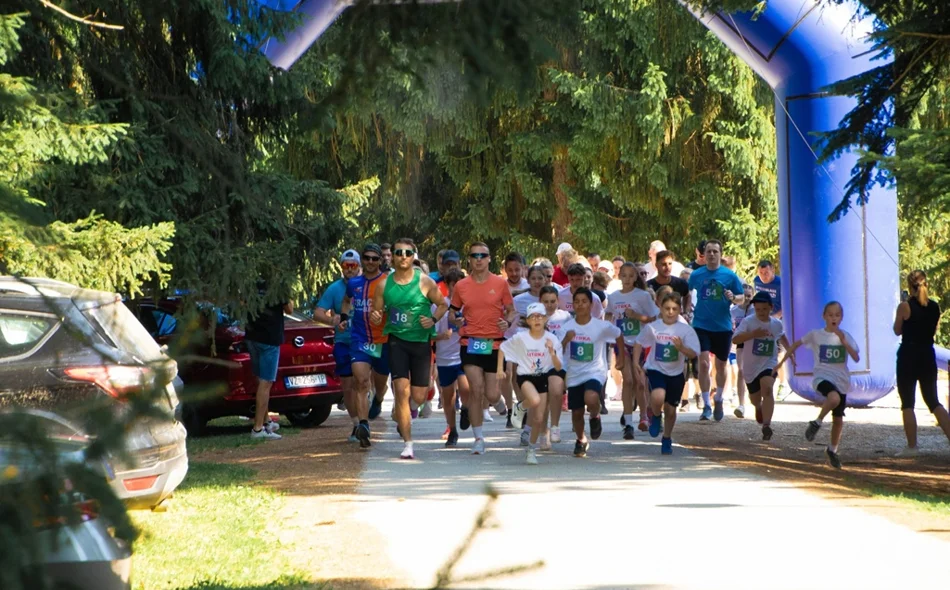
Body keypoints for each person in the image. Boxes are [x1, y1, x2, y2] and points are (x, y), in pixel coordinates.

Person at [371, 238, 448, 460]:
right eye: (398, 252)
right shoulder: (384, 285)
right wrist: (376, 316)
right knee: (402, 392)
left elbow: (443, 304)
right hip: (397, 342)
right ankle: (408, 443)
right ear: (392, 256)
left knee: (419, 396)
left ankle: (399, 412)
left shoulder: (424, 282)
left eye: (407, 253)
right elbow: (376, 316)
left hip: (421, 343)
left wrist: (433, 319)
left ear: (413, 255)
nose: (403, 256)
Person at [450, 242, 516, 455]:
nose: (478, 259)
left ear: (489, 259)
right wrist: (456, 321)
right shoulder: (461, 286)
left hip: (495, 344)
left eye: (483, 255)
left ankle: (500, 405)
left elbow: (511, 311)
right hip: (470, 342)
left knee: (492, 392)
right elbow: (452, 313)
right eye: (474, 255)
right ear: (469, 259)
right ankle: (478, 438)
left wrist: (507, 321)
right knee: (476, 390)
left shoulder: (500, 283)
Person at [778, 301, 859, 469]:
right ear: (824, 316)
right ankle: (817, 422)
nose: (833, 318)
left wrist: (844, 341)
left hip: (841, 380)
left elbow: (856, 357)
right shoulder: (816, 335)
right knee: (833, 397)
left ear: (841, 318)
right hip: (822, 377)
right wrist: (782, 363)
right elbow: (796, 344)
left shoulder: (845, 336)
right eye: (830, 315)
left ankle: (832, 450)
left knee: (838, 420)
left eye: (837, 315)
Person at [632, 292, 700, 454]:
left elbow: (693, 353)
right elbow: (639, 342)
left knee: (670, 410)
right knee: (657, 396)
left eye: (674, 309)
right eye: (667, 308)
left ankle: (667, 438)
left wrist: (681, 348)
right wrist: (635, 362)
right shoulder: (653, 327)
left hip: (676, 373)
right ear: (660, 309)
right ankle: (655, 416)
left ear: (680, 310)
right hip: (656, 369)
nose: (670, 312)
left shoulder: (685, 330)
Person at [561, 288, 625, 457]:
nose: (580, 304)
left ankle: (595, 415)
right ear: (572, 304)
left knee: (591, 397)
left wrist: (621, 358)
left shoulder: (600, 326)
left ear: (591, 304)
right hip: (574, 373)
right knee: (576, 412)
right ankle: (581, 439)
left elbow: (618, 335)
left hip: (595, 371)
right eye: (577, 301)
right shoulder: (566, 327)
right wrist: (566, 339)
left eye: (584, 301)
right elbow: (557, 351)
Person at [893, 270, 950, 455]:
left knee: (908, 403)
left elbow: (897, 330)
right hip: (927, 355)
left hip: (908, 355)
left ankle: (912, 447)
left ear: (910, 286)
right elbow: (932, 331)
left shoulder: (904, 307)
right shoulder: (935, 307)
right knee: (933, 401)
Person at [687, 239, 744, 421]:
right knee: (703, 364)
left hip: (722, 326)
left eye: (715, 252)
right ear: (704, 254)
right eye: (709, 251)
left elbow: (742, 298)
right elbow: (687, 294)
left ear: (720, 254)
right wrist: (686, 308)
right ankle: (706, 404)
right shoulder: (696, 275)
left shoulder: (729, 276)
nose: (712, 254)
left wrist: (733, 297)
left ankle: (719, 397)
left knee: (721, 365)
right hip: (701, 325)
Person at [501, 303, 564, 464]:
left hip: (542, 377)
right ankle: (520, 407)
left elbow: (558, 367)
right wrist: (498, 370)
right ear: (527, 321)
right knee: (534, 401)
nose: (537, 320)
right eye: (533, 317)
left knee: (538, 418)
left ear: (545, 319)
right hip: (525, 376)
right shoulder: (521, 337)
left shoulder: (552, 339)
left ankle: (531, 449)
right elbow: (502, 348)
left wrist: (551, 352)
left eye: (540, 316)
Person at [342, 243, 391, 448]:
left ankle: (378, 399)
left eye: (374, 258)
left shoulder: (388, 282)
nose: (370, 261)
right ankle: (363, 425)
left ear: (380, 260)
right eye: (367, 258)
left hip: (383, 340)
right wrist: (344, 316)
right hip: (360, 339)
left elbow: (397, 305)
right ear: (362, 260)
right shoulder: (354, 283)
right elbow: (346, 301)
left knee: (379, 383)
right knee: (360, 381)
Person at [606, 262, 659, 439]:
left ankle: (644, 415)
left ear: (636, 277)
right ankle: (628, 424)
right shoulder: (613, 297)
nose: (627, 279)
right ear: (619, 276)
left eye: (631, 275)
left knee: (641, 382)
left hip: (641, 344)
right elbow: (609, 315)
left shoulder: (643, 296)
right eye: (624, 275)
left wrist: (637, 316)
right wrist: (609, 332)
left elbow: (654, 318)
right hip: (622, 343)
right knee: (628, 381)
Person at [313, 250, 361, 441]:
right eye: (345, 265)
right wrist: (332, 320)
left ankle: (365, 417)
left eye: (353, 265)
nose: (349, 269)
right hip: (343, 341)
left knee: (363, 382)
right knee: (348, 387)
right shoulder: (334, 288)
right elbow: (317, 313)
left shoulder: (367, 285)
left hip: (364, 341)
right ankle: (357, 424)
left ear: (358, 266)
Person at [732, 291, 792, 440]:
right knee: (755, 399)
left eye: (764, 309)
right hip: (751, 367)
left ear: (770, 308)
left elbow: (782, 336)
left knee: (768, 388)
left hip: (768, 363)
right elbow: (735, 339)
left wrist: (791, 352)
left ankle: (766, 425)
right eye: (758, 309)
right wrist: (753, 334)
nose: (761, 313)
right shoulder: (748, 322)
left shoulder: (776, 324)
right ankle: (758, 407)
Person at [245, 284, 293, 440]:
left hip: (252, 335)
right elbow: (289, 309)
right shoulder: (278, 285)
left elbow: (242, 303)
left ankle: (266, 421)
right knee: (266, 383)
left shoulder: (250, 281)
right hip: (269, 339)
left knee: (260, 381)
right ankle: (258, 429)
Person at [434, 269, 469, 446]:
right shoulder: (440, 306)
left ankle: (466, 409)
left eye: (461, 284)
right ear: (447, 286)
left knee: (466, 388)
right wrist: (442, 336)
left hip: (464, 355)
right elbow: (429, 334)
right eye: (454, 284)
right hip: (444, 357)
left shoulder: (469, 306)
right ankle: (452, 429)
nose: (458, 288)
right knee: (448, 398)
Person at [540, 285, 571, 447]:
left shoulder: (565, 317)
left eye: (553, 301)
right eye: (546, 302)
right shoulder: (534, 317)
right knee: (542, 399)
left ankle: (555, 426)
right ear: (540, 301)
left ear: (558, 301)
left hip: (559, 362)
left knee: (556, 390)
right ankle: (543, 432)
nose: (549, 305)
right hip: (539, 363)